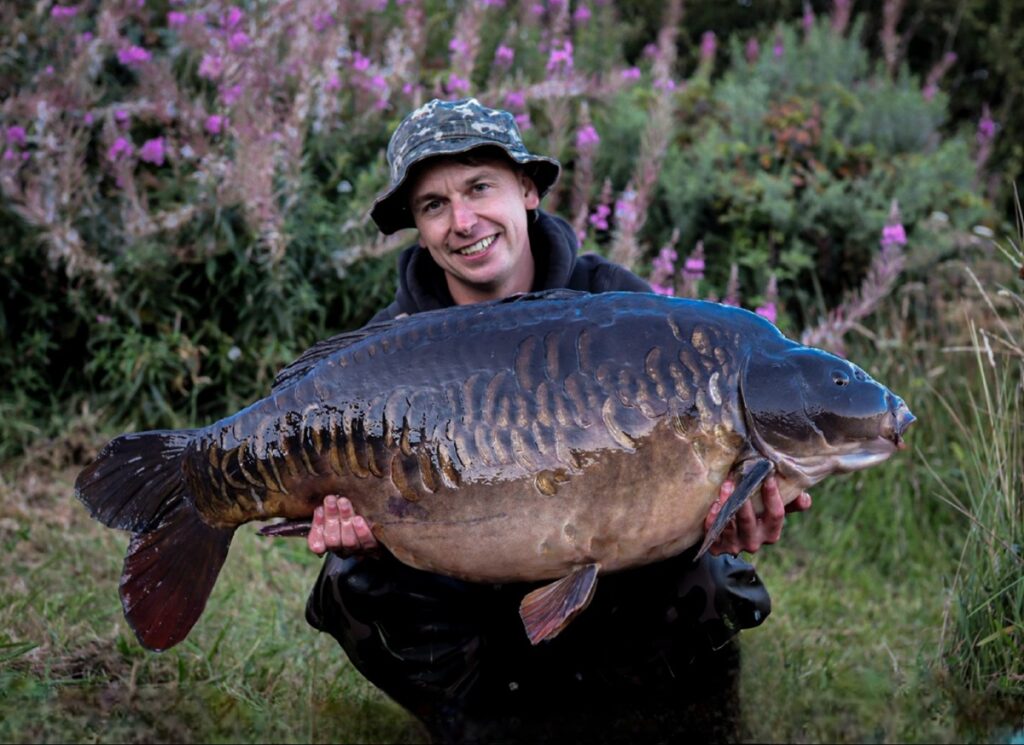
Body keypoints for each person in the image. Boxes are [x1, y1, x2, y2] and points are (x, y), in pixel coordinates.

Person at [303, 98, 811, 743]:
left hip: (615, 571)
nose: (462, 221)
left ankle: (694, 724)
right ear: (418, 226)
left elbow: (694, 452)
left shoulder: (619, 307)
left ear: (528, 189)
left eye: (479, 187)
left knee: (710, 578)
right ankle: (482, 728)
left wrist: (717, 514)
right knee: (352, 584)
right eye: (434, 205)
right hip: (466, 569)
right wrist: (360, 525)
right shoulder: (392, 349)